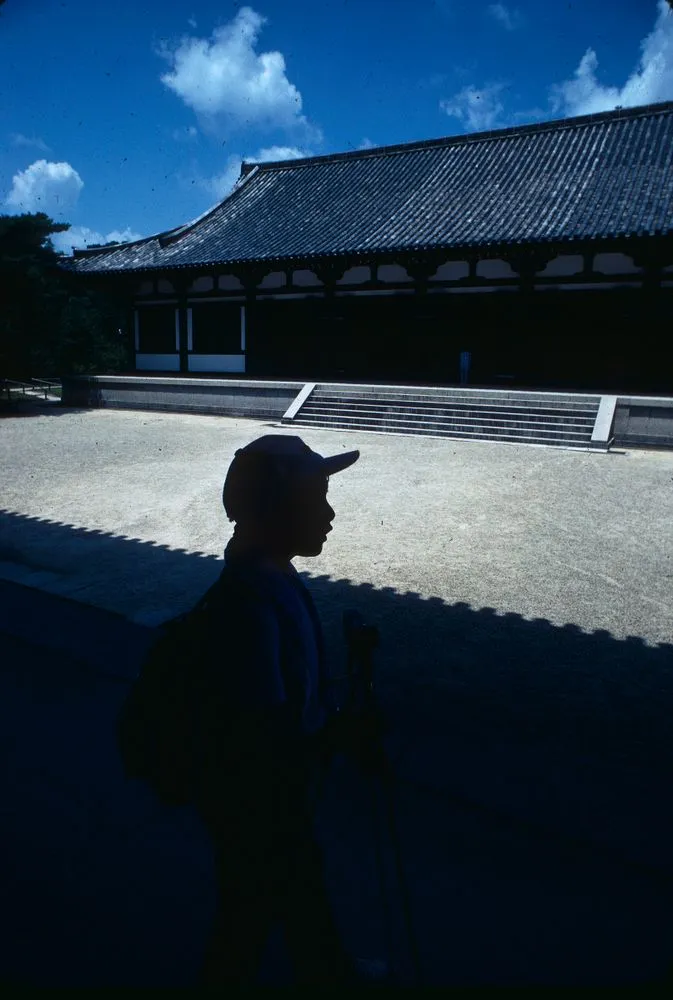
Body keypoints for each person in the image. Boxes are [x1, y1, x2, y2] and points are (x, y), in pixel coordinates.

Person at [193, 434, 389, 987]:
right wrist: (340, 735)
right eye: (316, 499)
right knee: (251, 912)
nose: (329, 513)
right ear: (275, 510)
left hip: (266, 796)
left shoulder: (271, 575)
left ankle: (328, 969)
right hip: (255, 799)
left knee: (290, 887)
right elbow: (264, 735)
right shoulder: (247, 606)